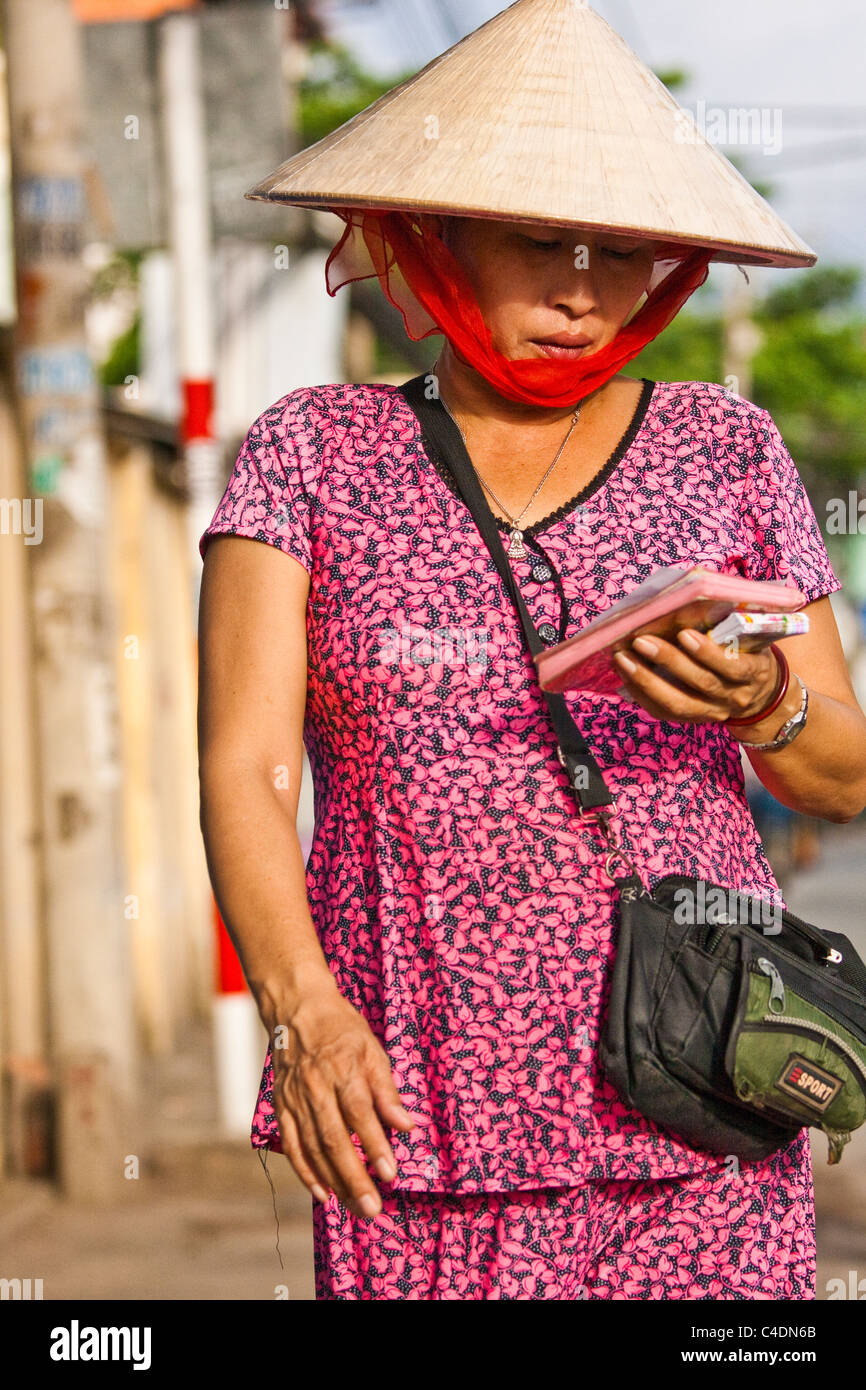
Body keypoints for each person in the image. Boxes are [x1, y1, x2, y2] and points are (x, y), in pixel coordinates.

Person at [196, 0, 866, 1299]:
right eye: (535, 241)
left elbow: (838, 777)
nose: (580, 287)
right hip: (406, 1107)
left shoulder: (725, 448)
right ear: (430, 234)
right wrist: (306, 1014)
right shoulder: (308, 451)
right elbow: (243, 770)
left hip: (691, 1104)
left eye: (620, 250)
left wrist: (761, 699)